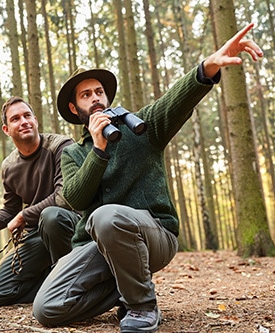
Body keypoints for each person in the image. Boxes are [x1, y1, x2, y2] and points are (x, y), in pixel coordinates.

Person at [32, 23, 263, 332]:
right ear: (75, 109)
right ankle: (126, 287)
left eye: (99, 92)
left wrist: (207, 67)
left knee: (106, 217)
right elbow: (74, 197)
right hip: (97, 246)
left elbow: (175, 99)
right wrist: (98, 149)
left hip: (154, 236)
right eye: (87, 95)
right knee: (46, 308)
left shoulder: (142, 127)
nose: (96, 98)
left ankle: (141, 305)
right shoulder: (73, 153)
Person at [0, 96, 79, 308]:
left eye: (27, 116)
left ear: (35, 120)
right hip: (36, 236)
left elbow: (64, 197)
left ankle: (70, 283)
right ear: (6, 130)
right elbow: (10, 209)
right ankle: (50, 285)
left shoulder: (62, 146)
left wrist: (24, 216)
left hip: (70, 226)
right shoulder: (9, 166)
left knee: (51, 216)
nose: (23, 121)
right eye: (15, 119)